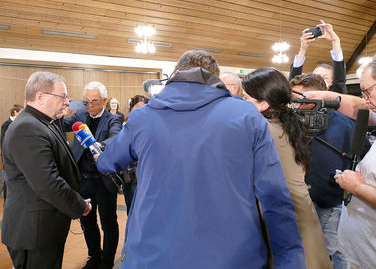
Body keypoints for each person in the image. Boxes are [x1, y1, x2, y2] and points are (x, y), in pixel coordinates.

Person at [95, 50, 305, 268]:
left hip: (153, 255)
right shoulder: (247, 116)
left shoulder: (142, 117)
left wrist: (98, 154)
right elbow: (274, 196)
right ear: (215, 78)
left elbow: (107, 162)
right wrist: (289, 260)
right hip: (232, 257)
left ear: (175, 74)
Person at [242, 68, 332, 269]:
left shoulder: (264, 130)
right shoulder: (289, 122)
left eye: (245, 97)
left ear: (264, 104)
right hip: (301, 211)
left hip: (285, 215)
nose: (241, 102)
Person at [1, 71, 91, 269]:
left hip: (42, 227)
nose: (67, 102)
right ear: (40, 96)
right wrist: (79, 205)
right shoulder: (28, 128)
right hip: (34, 231)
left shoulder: (41, 122)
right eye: (63, 97)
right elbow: (48, 183)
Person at [290, 73, 368, 268]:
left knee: (330, 250)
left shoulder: (345, 123)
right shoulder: (294, 122)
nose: (298, 104)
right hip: (304, 200)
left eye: (304, 98)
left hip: (331, 203)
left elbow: (363, 157)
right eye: (295, 99)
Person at [62, 81, 122, 269]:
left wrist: (98, 146)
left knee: (108, 223)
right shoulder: (79, 115)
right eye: (87, 101)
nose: (91, 105)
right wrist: (61, 112)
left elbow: (114, 138)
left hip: (104, 181)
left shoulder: (113, 119)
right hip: (83, 180)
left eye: (95, 101)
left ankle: (107, 261)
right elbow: (60, 125)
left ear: (105, 100)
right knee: (87, 222)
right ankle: (94, 256)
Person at [331, 57, 376, 268]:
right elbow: (355, 109)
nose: (365, 99)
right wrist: (321, 96)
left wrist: (357, 187)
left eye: (367, 91)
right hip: (358, 249)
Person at [289, 20, 346, 93]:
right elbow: (294, 81)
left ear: (331, 83)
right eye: (317, 76)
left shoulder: (334, 98)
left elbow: (339, 79)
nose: (320, 80)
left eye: (325, 77)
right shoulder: (302, 96)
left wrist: (335, 41)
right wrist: (303, 48)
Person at [122, 94, 149, 214]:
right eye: (138, 106)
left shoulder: (152, 125)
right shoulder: (125, 126)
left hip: (148, 175)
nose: (141, 110)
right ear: (131, 108)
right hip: (131, 175)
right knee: (132, 211)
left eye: (144, 107)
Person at [0, 104, 23, 199]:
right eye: (21, 112)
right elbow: (5, 143)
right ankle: (6, 201)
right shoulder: (7, 124)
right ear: (15, 112)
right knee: (8, 180)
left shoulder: (18, 123)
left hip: (17, 158)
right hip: (9, 158)